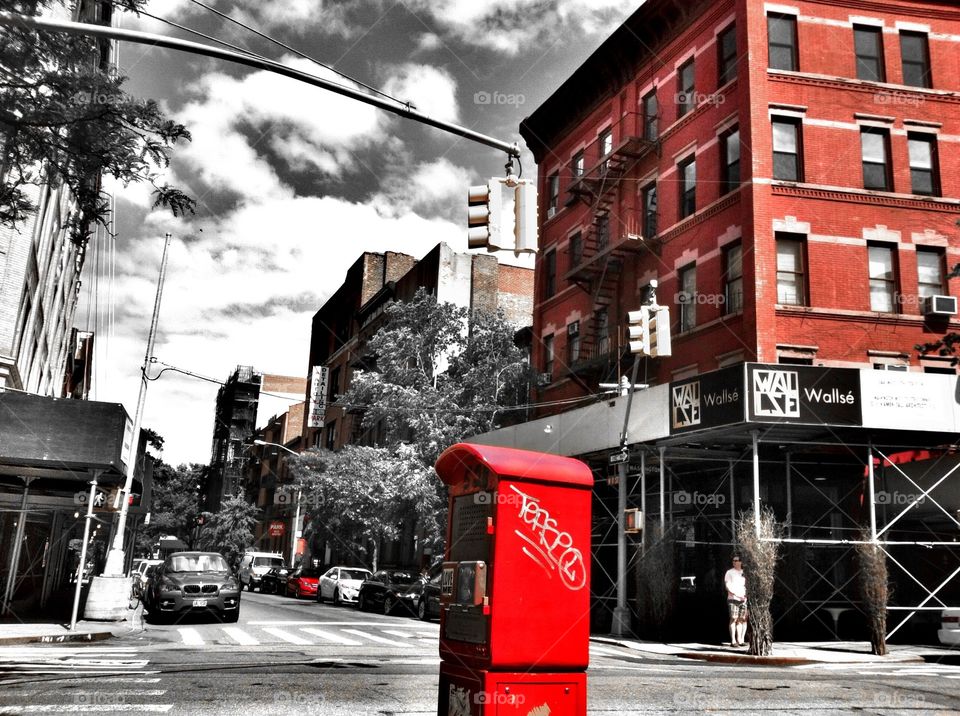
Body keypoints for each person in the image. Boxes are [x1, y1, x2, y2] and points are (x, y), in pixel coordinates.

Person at [724, 555, 747, 647]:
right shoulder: (729, 572)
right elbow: (727, 585)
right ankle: (733, 641)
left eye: (736, 560)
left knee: (741, 620)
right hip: (733, 598)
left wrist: (745, 596)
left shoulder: (744, 572)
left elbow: (747, 585)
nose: (734, 562)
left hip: (743, 599)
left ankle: (740, 640)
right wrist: (736, 594)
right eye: (733, 560)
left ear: (741, 562)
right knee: (733, 618)